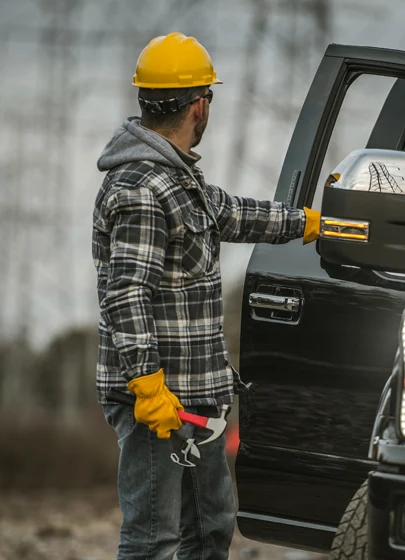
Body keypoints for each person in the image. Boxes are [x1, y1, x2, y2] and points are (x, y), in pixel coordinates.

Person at [93, 32, 320, 560]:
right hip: (159, 403)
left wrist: (307, 223)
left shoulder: (180, 181)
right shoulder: (141, 189)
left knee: (211, 531)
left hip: (199, 397)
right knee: (154, 540)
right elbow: (126, 293)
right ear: (200, 104)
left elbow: (235, 213)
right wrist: (148, 386)